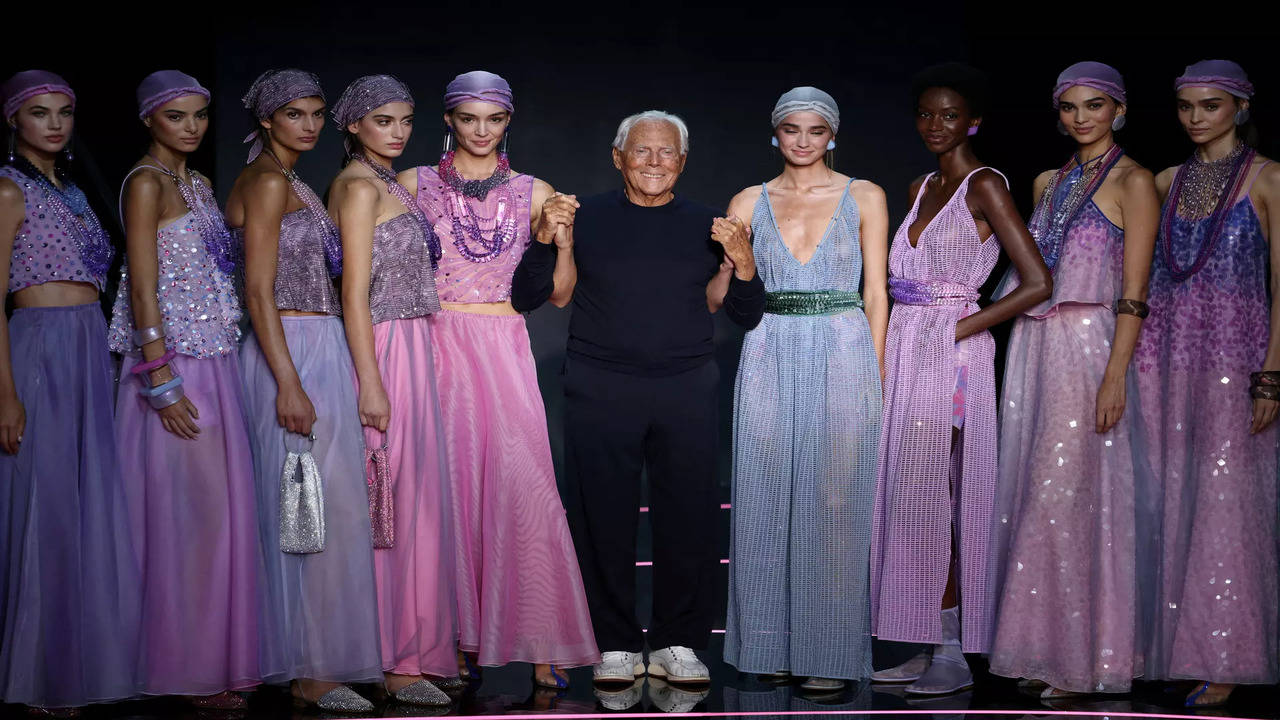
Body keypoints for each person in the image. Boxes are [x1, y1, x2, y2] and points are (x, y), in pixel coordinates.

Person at [511, 109, 766, 685]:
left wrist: (743, 263)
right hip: (602, 383)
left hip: (686, 384)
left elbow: (742, 313)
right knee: (603, 515)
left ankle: (680, 641)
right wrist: (545, 234)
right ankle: (615, 643)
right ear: (618, 157)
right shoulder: (587, 215)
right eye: (642, 152)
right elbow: (532, 294)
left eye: (667, 152)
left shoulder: (709, 223)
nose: (655, 163)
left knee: (689, 517)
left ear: (683, 161)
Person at [409, 70, 597, 689]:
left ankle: (543, 644)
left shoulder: (534, 189)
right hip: (435, 344)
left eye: (493, 119)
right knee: (448, 492)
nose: (481, 131)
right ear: (449, 121)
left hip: (504, 344)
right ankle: (451, 644)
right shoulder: (413, 185)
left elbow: (559, 295)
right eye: (469, 119)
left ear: (508, 120)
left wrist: (559, 241)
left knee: (523, 489)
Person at [868, 62, 1052, 695]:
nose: (935, 125)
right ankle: (923, 640)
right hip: (907, 348)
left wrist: (957, 331)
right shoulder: (920, 185)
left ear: (973, 121)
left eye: (949, 115)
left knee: (945, 499)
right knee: (911, 498)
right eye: (926, 114)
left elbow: (1036, 284)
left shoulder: (987, 185)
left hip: (951, 354)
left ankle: (953, 649)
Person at [986, 61, 1159, 699]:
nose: (1080, 118)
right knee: (1038, 490)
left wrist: (1115, 376)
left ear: (1118, 110)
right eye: (1068, 108)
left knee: (1078, 495)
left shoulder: (1135, 181)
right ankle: (1041, 647)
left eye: (1094, 106)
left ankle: (1087, 659)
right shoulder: (1046, 181)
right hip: (1036, 345)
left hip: (1091, 347)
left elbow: (1136, 292)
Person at [227, 68, 391, 712]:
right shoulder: (268, 181)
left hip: (316, 345)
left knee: (321, 507)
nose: (311, 125)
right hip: (292, 348)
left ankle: (315, 661)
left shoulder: (289, 179)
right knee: (304, 510)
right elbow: (258, 291)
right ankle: (308, 670)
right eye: (296, 114)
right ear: (267, 119)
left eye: (318, 113)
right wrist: (289, 383)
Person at [110, 70, 271, 710]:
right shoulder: (145, 184)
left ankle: (211, 661)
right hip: (173, 368)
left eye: (200, 116)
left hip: (220, 361)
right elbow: (143, 288)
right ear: (149, 119)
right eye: (177, 117)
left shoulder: (198, 183)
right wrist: (161, 380)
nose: (192, 128)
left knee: (217, 519)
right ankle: (179, 668)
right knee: (180, 521)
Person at [721, 87, 888, 692]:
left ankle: (829, 655)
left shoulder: (864, 195)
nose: (802, 141)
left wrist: (874, 372)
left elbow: (876, 292)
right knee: (764, 492)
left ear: (832, 135)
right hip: (769, 344)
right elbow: (720, 296)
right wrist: (738, 260)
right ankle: (767, 648)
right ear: (775, 133)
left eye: (815, 130)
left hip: (843, 346)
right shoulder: (748, 199)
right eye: (791, 129)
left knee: (836, 498)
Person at [1134, 59, 1280, 708]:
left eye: (1211, 106)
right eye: (1186, 106)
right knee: (1168, 495)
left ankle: (1226, 655)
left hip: (1234, 355)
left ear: (1241, 107)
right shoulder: (1165, 180)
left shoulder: (1270, 178)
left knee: (1228, 505)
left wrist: (1270, 376)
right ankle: (1171, 647)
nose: (1196, 117)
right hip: (1167, 357)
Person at [0, 69, 140, 717]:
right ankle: (39, 678)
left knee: (83, 505)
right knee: (46, 504)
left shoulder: (78, 193)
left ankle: (77, 668)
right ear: (12, 121)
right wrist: (6, 392)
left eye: (64, 112)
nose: (54, 123)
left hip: (88, 345)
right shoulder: (7, 192)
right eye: (39, 113)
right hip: (40, 346)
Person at [329, 73, 460, 701]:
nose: (399, 132)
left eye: (406, 120)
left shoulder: (386, 184)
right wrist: (371, 383)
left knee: (415, 502)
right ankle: (386, 655)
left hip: (412, 345)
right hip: (381, 348)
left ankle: (407, 651)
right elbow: (352, 295)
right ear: (353, 125)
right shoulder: (357, 187)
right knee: (386, 501)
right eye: (385, 121)